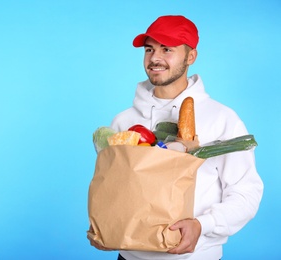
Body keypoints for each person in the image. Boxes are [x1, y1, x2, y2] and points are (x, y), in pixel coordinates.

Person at [88, 15, 263, 260]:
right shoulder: (122, 122)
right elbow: (113, 188)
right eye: (149, 49)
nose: (155, 58)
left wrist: (204, 225)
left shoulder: (222, 119)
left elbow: (246, 193)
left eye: (166, 49)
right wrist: (105, 225)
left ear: (191, 57)